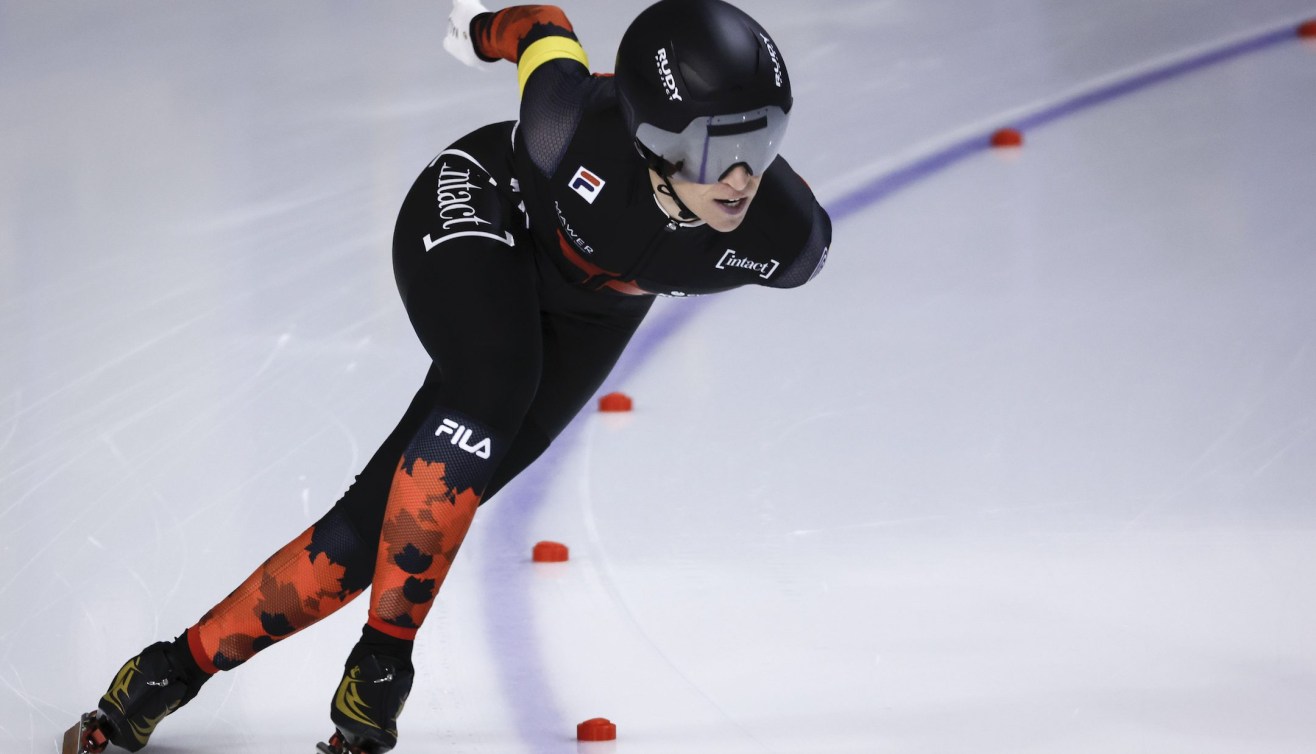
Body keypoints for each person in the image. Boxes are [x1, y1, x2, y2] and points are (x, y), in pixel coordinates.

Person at [70, 1, 830, 752]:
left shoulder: (787, 238)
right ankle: (382, 665)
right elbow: (543, 27)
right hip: (488, 207)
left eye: (765, 139)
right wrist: (478, 29)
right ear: (650, 138)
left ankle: (167, 673)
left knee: (400, 523)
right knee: (496, 382)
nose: (741, 177)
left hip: (590, 317)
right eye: (714, 148)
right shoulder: (565, 127)